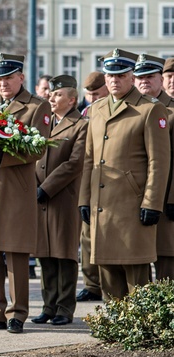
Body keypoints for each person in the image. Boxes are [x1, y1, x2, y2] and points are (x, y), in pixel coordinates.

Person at [0, 53, 52, 334]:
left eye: (8, 77)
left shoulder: (37, 107)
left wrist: (1, 154)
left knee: (15, 252)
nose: (3, 83)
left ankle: (18, 313)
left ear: (21, 78)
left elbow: (38, 148)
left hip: (15, 188)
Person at [79, 49, 171, 300]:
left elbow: (159, 161)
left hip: (132, 205)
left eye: (120, 75)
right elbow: (89, 159)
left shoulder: (149, 110)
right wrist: (84, 199)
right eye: (110, 75)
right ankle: (114, 332)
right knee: (107, 272)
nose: (114, 80)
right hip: (102, 206)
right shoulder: (96, 109)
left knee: (136, 274)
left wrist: (152, 203)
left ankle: (140, 337)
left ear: (131, 77)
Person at [31, 75, 88, 326]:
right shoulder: (45, 122)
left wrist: (46, 187)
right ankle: (48, 305)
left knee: (64, 255)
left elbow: (75, 163)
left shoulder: (81, 125)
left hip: (63, 197)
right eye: (51, 94)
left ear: (72, 99)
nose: (51, 98)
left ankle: (65, 308)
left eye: (58, 95)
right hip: (39, 197)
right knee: (45, 254)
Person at [132, 54, 174, 281]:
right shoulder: (130, 110)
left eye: (150, 77)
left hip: (166, 197)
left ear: (160, 80)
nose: (144, 82)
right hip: (134, 197)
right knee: (137, 261)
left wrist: (172, 199)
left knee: (166, 261)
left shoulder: (171, 110)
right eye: (139, 77)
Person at [76, 70, 108, 303]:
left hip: (111, 179)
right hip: (87, 179)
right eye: (89, 95)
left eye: (97, 94)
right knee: (87, 235)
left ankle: (105, 284)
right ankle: (91, 283)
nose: (93, 99)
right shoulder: (85, 112)